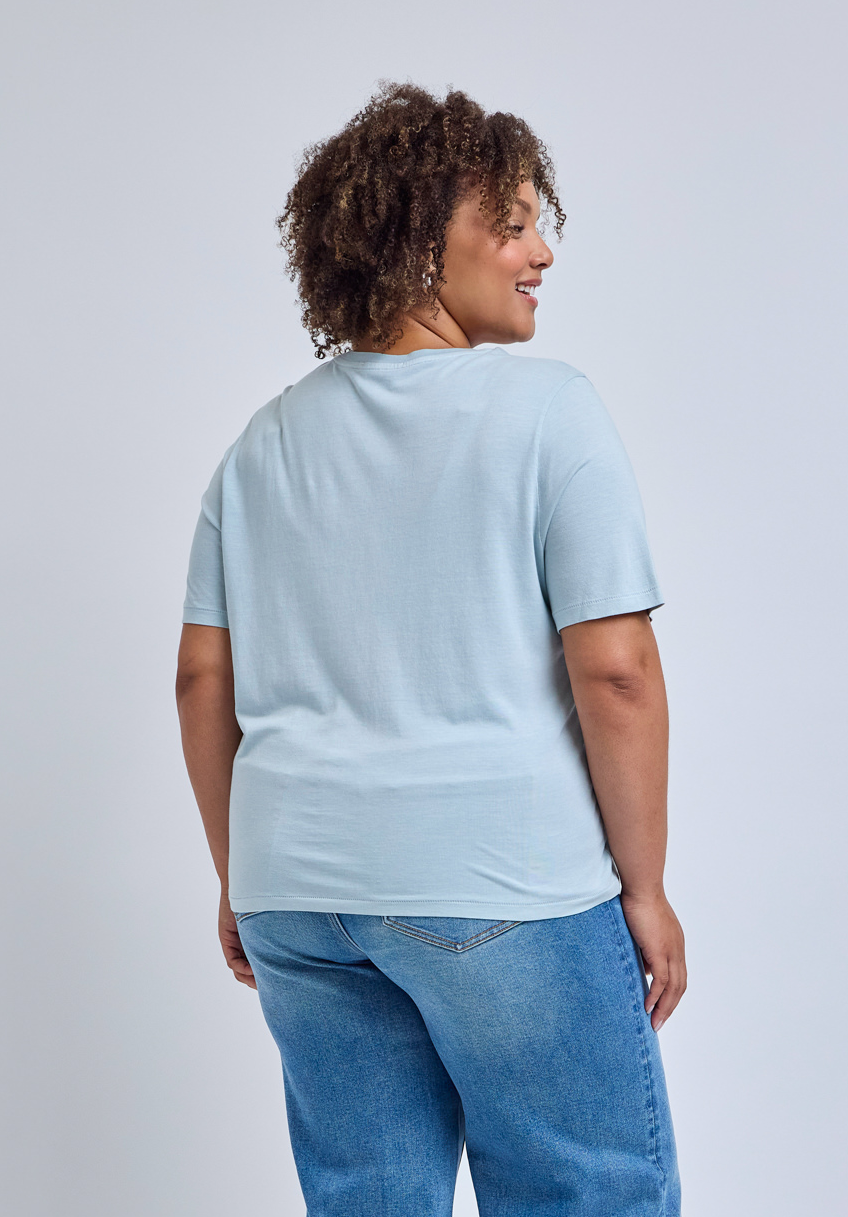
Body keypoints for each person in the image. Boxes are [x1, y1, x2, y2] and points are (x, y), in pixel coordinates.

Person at [176, 80, 686, 1216]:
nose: (540, 251)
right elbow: (616, 670)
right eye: (509, 225)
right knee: (585, 1193)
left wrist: (239, 872)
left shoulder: (260, 445)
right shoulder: (549, 412)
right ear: (416, 246)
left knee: (367, 1199)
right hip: (502, 883)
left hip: (297, 893)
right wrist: (644, 888)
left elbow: (201, 678)